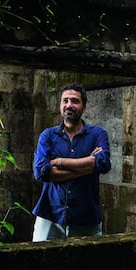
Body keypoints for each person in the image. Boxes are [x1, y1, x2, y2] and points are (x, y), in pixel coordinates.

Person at [32, 83, 111, 241]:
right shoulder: (47, 136)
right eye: (65, 100)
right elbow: (41, 172)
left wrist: (59, 162)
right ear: (60, 105)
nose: (69, 105)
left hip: (86, 218)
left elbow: (102, 164)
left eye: (74, 101)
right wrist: (88, 165)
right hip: (49, 217)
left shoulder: (97, 134)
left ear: (84, 107)